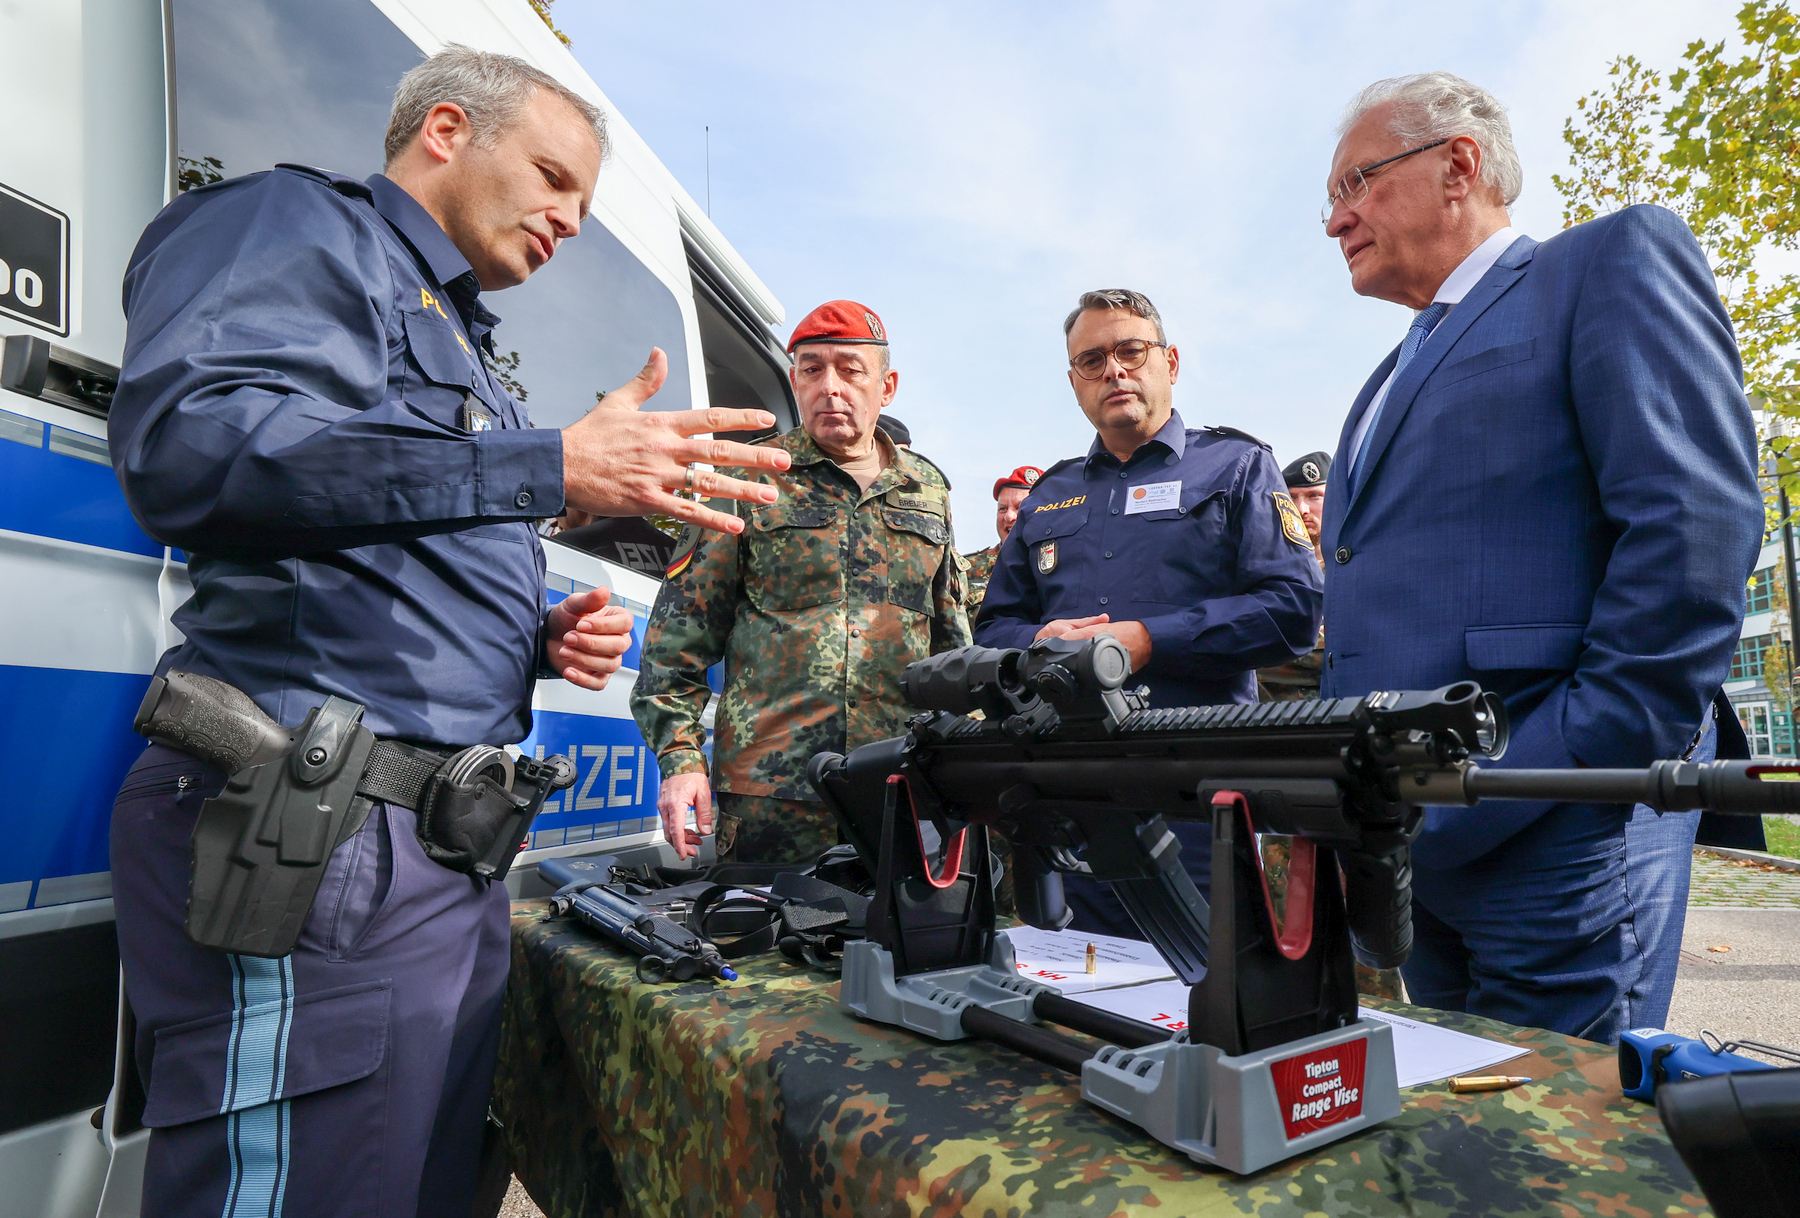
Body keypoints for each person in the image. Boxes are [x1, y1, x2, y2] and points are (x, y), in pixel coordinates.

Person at [105, 47, 791, 1218]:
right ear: (444, 130)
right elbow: (196, 454)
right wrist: (549, 464)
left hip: (434, 855)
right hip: (318, 840)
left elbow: (375, 552)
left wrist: (533, 631)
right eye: (554, 177)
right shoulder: (293, 225)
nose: (572, 217)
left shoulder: (469, 340)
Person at [1320, 72, 1760, 1042]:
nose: (1334, 220)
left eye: (1355, 184)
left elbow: (1695, 531)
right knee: (1461, 1133)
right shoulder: (1384, 379)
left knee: (1561, 1160)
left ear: (1458, 166)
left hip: (1560, 825)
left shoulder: (1603, 265)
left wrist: (1569, 768)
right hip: (1421, 843)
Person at [976, 289, 1323, 937]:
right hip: (1071, 801)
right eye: (1091, 360)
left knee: (1203, 999)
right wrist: (1037, 641)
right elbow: (992, 629)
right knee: (1070, 1003)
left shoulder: (1238, 466)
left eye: (1131, 351)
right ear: (1075, 382)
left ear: (1170, 361)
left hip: (1197, 799)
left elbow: (1294, 610)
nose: (1114, 371)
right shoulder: (1051, 493)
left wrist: (1147, 640)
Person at [634, 300, 972, 865]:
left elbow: (951, 649)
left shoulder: (928, 490)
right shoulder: (746, 475)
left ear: (886, 386)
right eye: (811, 370)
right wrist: (681, 762)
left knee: (894, 946)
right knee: (762, 948)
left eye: (849, 369)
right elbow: (676, 643)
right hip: (770, 794)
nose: (829, 387)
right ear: (794, 381)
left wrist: (965, 761)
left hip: (897, 785)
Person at [1257, 451, 1330, 700]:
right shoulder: (1261, 568)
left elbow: (1348, 650)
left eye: (1314, 496)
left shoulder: (1355, 569)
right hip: (1265, 718)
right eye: (1291, 498)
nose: (1302, 509)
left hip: (1333, 714)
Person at [963, 465, 1044, 618]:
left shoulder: (1063, 568)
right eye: (1002, 509)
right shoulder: (968, 569)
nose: (1009, 517)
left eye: (1020, 508)